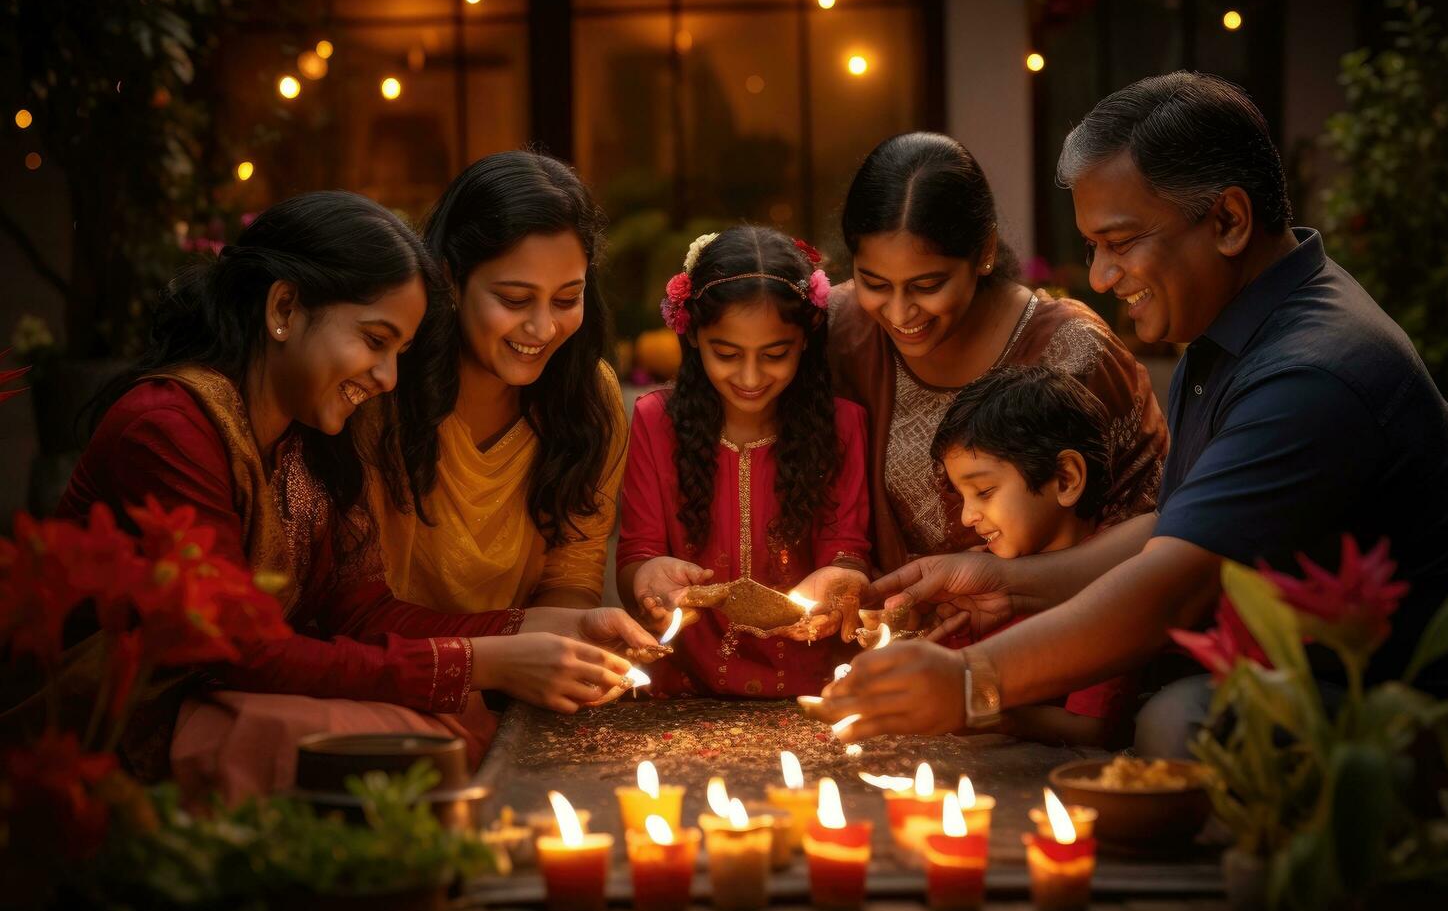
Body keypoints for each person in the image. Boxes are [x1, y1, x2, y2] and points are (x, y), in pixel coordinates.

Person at [810, 72, 1448, 752]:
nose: (1098, 277)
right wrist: (1004, 583)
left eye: (1119, 243)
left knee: (1179, 723)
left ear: (1229, 220)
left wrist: (971, 682)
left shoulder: (1310, 374)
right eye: (1092, 247)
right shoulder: (1231, 333)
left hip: (1405, 724)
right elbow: (1175, 530)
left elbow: (1172, 590)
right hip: (1267, 670)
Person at [54, 191, 654, 796]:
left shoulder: (308, 434)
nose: (388, 378)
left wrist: (543, 626)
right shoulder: (169, 429)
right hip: (133, 727)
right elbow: (238, 651)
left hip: (237, 694)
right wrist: (481, 661)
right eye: (374, 341)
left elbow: (360, 612)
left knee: (442, 727)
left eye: (399, 352)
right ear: (284, 307)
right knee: (415, 743)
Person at [827, 131, 1168, 577]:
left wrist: (1007, 586)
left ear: (984, 252)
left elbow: (1157, 526)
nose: (898, 311)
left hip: (1049, 633)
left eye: (927, 286)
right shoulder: (840, 329)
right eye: (873, 283)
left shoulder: (1073, 351)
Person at [615, 227, 871, 698]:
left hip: (815, 688)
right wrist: (647, 578)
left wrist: (843, 578)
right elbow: (637, 554)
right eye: (726, 354)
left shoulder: (843, 426)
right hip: (685, 688)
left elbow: (847, 547)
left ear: (806, 341)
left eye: (775, 354)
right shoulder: (656, 422)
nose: (750, 377)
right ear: (692, 335)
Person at [371, 150, 627, 615]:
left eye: (567, 298)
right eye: (514, 299)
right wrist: (506, 655)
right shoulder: (382, 386)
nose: (543, 328)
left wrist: (569, 646)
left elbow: (572, 571)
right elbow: (355, 606)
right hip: (384, 675)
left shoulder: (588, 396)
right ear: (450, 277)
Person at [930, 365, 1131, 746]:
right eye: (963, 496)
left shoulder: (1115, 587)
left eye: (985, 492)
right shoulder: (985, 574)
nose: (967, 516)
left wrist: (980, 712)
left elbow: (1093, 728)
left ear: (1066, 479)